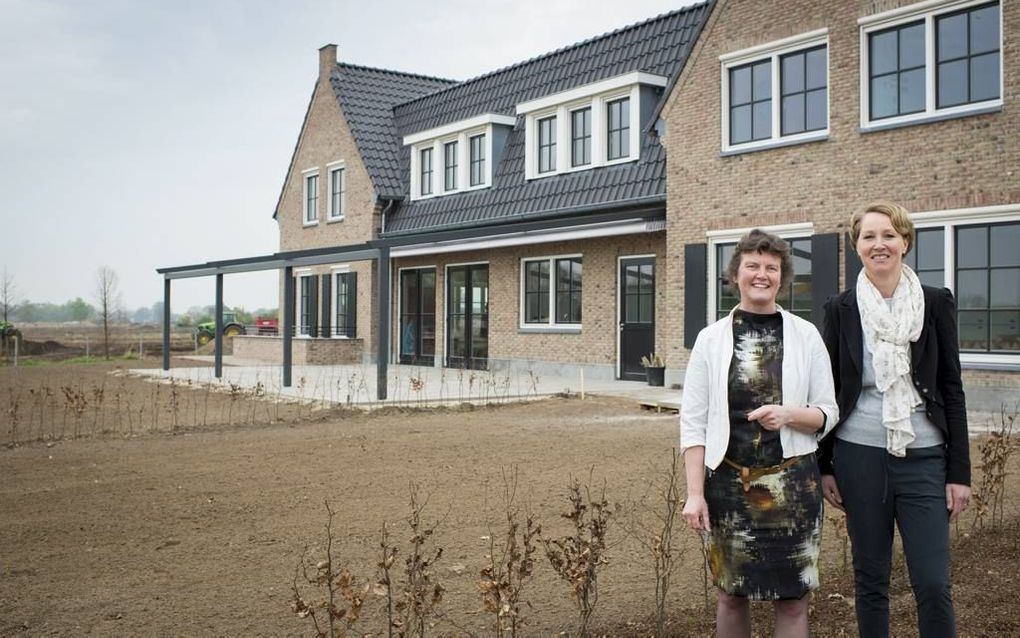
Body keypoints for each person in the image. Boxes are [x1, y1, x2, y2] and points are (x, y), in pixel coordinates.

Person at [819, 202, 971, 638]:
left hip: (925, 458)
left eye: (888, 235)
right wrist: (825, 465)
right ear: (857, 246)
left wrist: (959, 472)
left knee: (932, 581)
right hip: (858, 457)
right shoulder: (841, 308)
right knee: (870, 580)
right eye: (869, 236)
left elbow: (952, 389)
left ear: (905, 242)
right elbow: (829, 393)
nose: (879, 244)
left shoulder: (936, 303)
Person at [681, 229, 838, 638]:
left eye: (771, 267)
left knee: (792, 600)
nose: (762, 274)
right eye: (752, 265)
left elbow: (828, 412)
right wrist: (695, 493)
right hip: (730, 487)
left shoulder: (806, 336)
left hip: (794, 487)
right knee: (731, 596)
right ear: (736, 274)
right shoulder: (710, 340)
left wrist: (788, 415)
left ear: (782, 277)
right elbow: (693, 423)